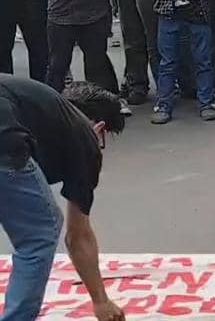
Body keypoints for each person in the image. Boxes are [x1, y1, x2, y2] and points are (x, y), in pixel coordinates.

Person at [0, 77, 127, 321]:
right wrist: (101, 301)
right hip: (4, 138)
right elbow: (78, 236)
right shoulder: (82, 133)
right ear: (98, 127)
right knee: (39, 233)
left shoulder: (40, 106)